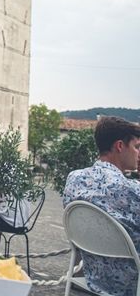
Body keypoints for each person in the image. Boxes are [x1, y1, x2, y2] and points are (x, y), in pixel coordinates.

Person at [63, 116, 140, 296]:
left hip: (93, 278)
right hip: (132, 283)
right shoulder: (131, 190)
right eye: (136, 147)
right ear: (120, 146)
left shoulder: (74, 179)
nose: (139, 153)